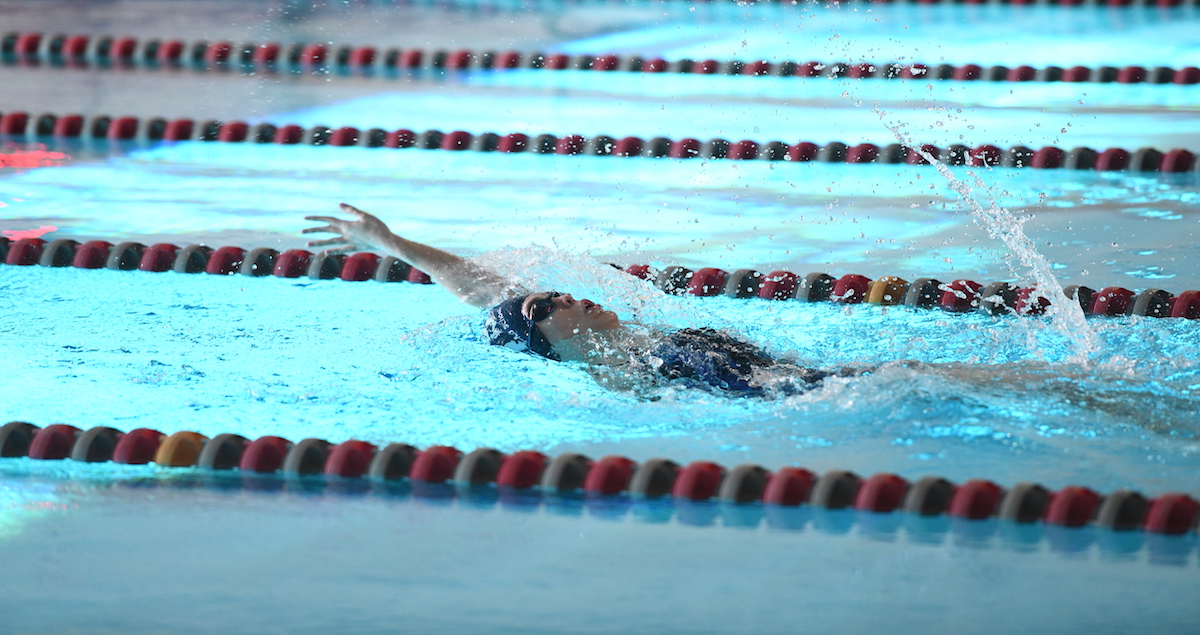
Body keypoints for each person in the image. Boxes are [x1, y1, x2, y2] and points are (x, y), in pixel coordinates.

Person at [303, 204, 858, 397]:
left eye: (554, 295)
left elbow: (482, 289)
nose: (560, 297)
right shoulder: (629, 374)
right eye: (542, 309)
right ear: (547, 345)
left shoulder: (640, 344)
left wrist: (389, 243)